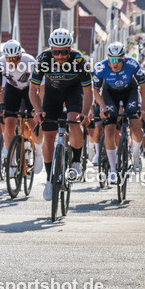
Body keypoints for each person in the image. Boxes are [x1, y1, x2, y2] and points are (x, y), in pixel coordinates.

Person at [30, 28, 93, 201]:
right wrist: (38, 111)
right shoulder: (43, 59)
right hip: (52, 94)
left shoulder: (79, 60)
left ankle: (76, 161)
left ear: (70, 49)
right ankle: (50, 180)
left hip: (74, 92)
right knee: (48, 137)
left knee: (73, 121)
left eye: (64, 52)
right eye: (56, 52)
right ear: (51, 50)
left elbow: (88, 91)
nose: (59, 56)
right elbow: (33, 90)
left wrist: (85, 114)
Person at [92, 41, 145, 181]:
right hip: (110, 94)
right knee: (109, 130)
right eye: (112, 59)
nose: (115, 63)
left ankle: (136, 156)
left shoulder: (132, 64)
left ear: (124, 58)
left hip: (130, 92)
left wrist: (143, 109)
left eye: (118, 59)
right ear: (108, 59)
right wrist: (103, 107)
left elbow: (144, 87)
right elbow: (95, 91)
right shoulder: (101, 68)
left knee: (136, 127)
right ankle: (112, 169)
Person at [0, 39, 43, 174]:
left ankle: (38, 153)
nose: (13, 62)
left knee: (33, 123)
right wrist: (1, 104)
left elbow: (39, 87)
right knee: (9, 123)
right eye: (10, 59)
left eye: (16, 59)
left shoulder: (30, 62)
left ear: (20, 55)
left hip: (29, 90)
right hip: (12, 89)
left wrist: (38, 107)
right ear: (5, 58)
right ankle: (12, 161)